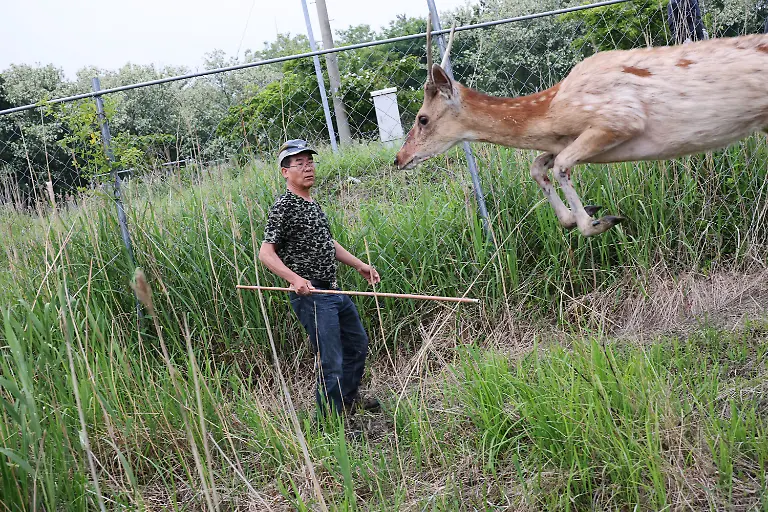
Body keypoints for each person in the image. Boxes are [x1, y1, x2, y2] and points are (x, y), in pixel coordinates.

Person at [258, 139, 381, 419]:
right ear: (285, 172)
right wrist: (295, 279)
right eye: (299, 163)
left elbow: (327, 243)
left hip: (332, 291)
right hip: (311, 295)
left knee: (357, 343)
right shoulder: (284, 206)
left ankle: (348, 399)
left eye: (310, 161)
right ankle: (328, 423)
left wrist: (360, 265)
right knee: (331, 360)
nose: (307, 168)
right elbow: (266, 253)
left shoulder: (312, 204)